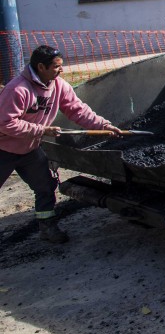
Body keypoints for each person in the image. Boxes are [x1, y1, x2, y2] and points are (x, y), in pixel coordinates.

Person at [0, 46, 121, 243]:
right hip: (3, 149)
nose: (61, 70)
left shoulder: (58, 85)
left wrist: (103, 125)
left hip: (29, 149)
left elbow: (77, 110)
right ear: (41, 67)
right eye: (56, 67)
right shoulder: (17, 89)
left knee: (46, 187)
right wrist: (41, 130)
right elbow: (5, 123)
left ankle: (47, 228)